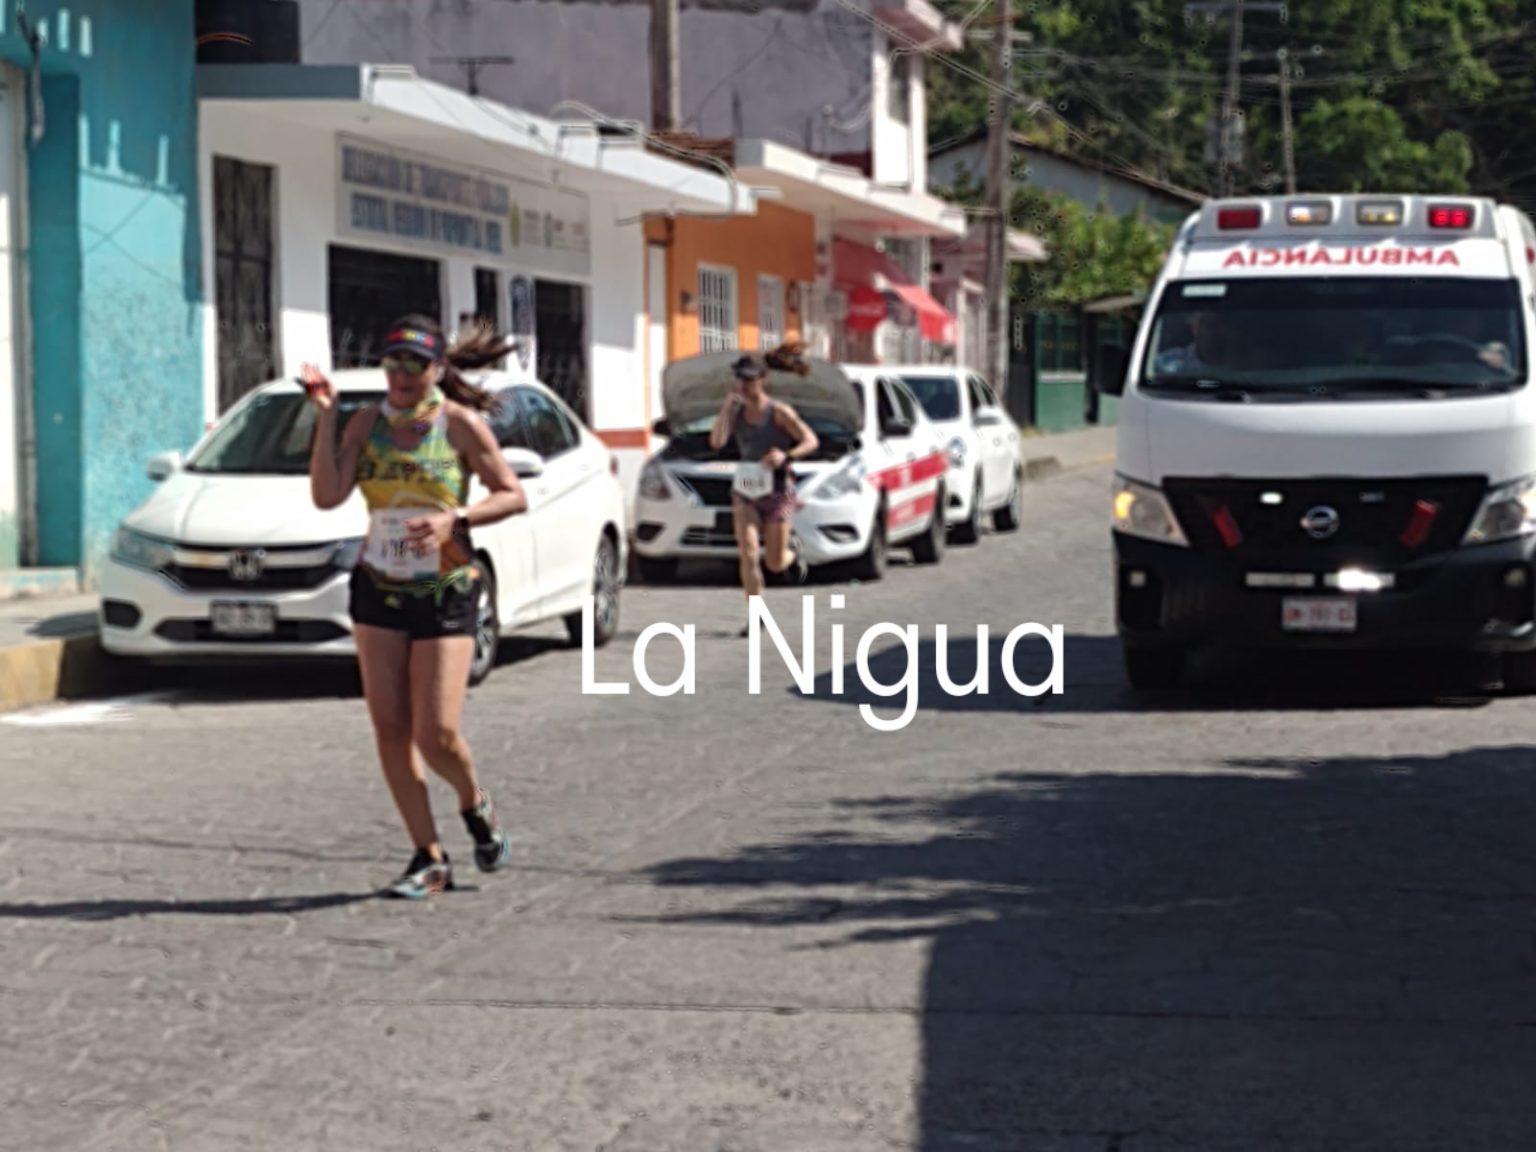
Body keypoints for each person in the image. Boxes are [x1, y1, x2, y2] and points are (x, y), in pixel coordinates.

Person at [302, 315, 528, 899]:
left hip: (445, 587)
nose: (401, 376)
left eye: (415, 365)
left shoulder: (460, 426)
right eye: (392, 364)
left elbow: (513, 495)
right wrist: (326, 417)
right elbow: (328, 496)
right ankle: (428, 856)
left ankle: (474, 803)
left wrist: (456, 517)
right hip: (379, 586)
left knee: (437, 733)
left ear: (437, 371)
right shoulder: (364, 424)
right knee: (390, 729)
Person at [709, 345, 819, 635]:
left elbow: (810, 440)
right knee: (746, 551)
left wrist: (787, 456)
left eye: (749, 379)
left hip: (778, 488)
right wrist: (725, 407)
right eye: (740, 380)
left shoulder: (779, 412)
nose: (744, 385)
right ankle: (755, 616)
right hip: (746, 485)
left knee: (773, 562)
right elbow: (717, 443)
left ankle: (791, 554)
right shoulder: (736, 412)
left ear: (763, 379)